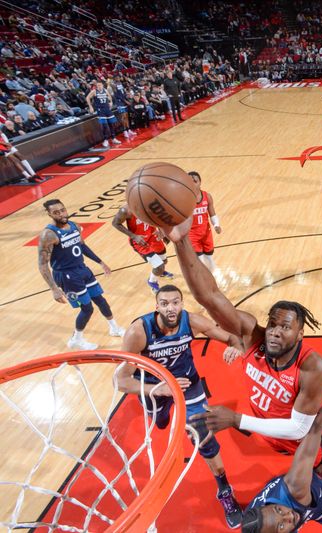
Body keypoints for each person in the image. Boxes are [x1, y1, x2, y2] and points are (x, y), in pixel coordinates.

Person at [161, 222, 322, 491]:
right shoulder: (251, 336)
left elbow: (298, 428)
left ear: (300, 334)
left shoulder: (312, 366)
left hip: (297, 434)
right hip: (267, 427)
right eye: (272, 324)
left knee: (320, 462)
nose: (275, 333)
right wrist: (181, 241)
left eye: (285, 327)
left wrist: (236, 420)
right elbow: (209, 296)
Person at [114, 285, 244, 528]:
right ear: (156, 307)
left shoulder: (192, 322)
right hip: (155, 388)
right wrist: (158, 388)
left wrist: (234, 347)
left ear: (182, 305)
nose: (170, 308)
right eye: (164, 303)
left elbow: (230, 335)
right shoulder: (138, 332)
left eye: (175, 302)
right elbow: (120, 381)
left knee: (203, 436)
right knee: (160, 423)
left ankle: (224, 490)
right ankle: (161, 411)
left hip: (188, 385)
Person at [240, 377, 322, 533]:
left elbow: (315, 429)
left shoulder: (295, 487)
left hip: (320, 500)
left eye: (278, 510)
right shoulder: (254, 525)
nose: (288, 515)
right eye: (281, 526)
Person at [37, 199, 125, 350]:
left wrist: (100, 262)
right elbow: (42, 264)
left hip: (82, 269)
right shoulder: (48, 235)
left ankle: (114, 328)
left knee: (100, 300)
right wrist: (53, 289)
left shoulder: (74, 225)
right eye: (56, 212)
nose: (62, 214)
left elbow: (82, 246)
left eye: (62, 210)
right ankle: (76, 339)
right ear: (49, 214)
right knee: (87, 308)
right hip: (66, 276)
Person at [111, 204, 174, 293]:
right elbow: (115, 223)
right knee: (159, 266)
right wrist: (133, 236)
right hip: (139, 240)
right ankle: (152, 282)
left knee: (164, 261)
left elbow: (157, 217)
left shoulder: (149, 202)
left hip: (152, 234)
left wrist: (161, 230)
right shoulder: (126, 210)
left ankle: (160, 272)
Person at [188, 171, 222, 272]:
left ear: (200, 182)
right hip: (192, 234)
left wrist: (216, 225)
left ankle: (212, 277)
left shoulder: (207, 196)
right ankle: (203, 283)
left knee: (209, 257)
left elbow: (212, 214)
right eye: (190, 181)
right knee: (200, 260)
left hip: (206, 232)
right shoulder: (184, 199)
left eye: (195, 181)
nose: (193, 183)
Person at [86, 80, 120, 148]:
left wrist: (111, 102)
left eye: (100, 85)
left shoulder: (105, 90)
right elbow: (87, 98)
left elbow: (110, 96)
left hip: (107, 109)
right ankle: (105, 139)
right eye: (98, 85)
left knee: (112, 124)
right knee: (104, 126)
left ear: (102, 85)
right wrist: (90, 107)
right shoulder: (94, 91)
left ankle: (113, 138)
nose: (99, 86)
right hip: (100, 110)